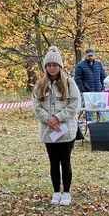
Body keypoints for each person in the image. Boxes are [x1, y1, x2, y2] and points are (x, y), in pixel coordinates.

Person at [32, 46, 82, 206]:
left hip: (65, 129)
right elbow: (36, 106)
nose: (52, 68)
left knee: (65, 161)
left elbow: (75, 104)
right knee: (53, 162)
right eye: (49, 65)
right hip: (48, 130)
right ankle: (56, 192)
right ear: (45, 67)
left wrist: (59, 118)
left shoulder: (69, 83)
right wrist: (49, 120)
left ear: (60, 66)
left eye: (55, 65)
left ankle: (66, 192)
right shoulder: (40, 85)